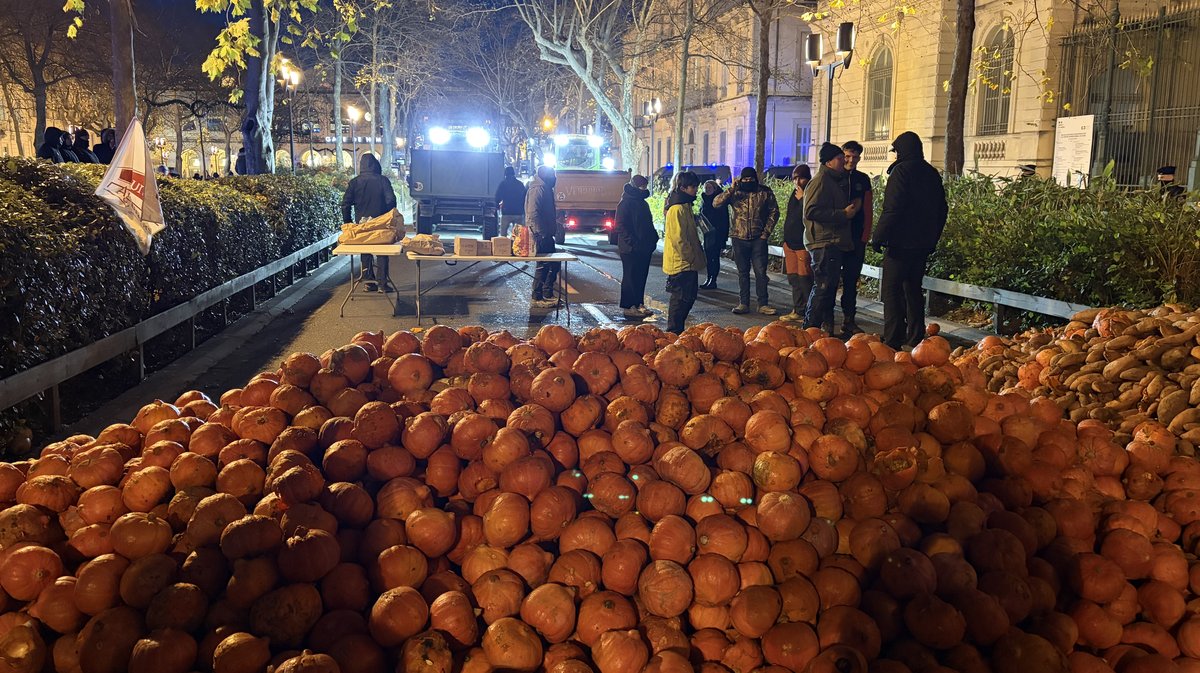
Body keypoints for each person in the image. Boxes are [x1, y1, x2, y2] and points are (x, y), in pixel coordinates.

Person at [870, 131, 948, 350]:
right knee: (913, 290)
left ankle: (893, 338)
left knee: (891, 291)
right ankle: (915, 336)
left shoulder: (901, 172)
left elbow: (892, 209)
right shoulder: (931, 173)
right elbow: (942, 209)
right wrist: (932, 238)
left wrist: (879, 237)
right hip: (922, 245)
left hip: (899, 244)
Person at [803, 142, 860, 333]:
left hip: (832, 241)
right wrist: (842, 214)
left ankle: (815, 330)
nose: (844, 160)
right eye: (839, 158)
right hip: (824, 242)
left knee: (827, 288)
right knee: (823, 287)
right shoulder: (821, 181)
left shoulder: (834, 180)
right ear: (828, 162)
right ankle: (810, 330)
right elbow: (811, 210)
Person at [714, 167, 780, 315]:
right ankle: (744, 303)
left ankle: (762, 303)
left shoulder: (764, 192)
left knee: (761, 273)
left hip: (758, 239)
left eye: (751, 179)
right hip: (738, 238)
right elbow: (716, 203)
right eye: (745, 179)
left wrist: (766, 233)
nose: (748, 182)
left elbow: (774, 211)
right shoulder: (735, 193)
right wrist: (731, 189)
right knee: (742, 273)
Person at [341, 153, 398, 293]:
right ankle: (383, 284)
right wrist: (390, 216)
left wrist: (348, 222)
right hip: (381, 223)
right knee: (382, 252)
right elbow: (390, 199)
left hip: (362, 224)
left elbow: (345, 204)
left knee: (365, 251)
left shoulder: (354, 182)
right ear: (376, 165)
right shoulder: (383, 181)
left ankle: (368, 282)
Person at [662, 171, 705, 334]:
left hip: (687, 263)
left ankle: (676, 332)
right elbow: (678, 239)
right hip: (681, 263)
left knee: (688, 297)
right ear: (683, 188)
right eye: (692, 187)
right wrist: (690, 257)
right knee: (680, 300)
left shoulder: (685, 206)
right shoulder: (677, 209)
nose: (695, 190)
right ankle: (673, 333)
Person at [840, 140, 873, 337]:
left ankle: (849, 319)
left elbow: (868, 209)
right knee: (831, 278)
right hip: (836, 237)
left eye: (855, 157)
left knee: (851, 280)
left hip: (855, 238)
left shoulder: (863, 179)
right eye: (847, 156)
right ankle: (826, 321)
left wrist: (865, 235)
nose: (851, 160)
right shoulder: (834, 177)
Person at [615, 174, 657, 319]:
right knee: (630, 276)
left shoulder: (642, 203)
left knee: (641, 276)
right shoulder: (625, 203)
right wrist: (632, 243)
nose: (644, 189)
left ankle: (639, 303)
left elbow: (648, 224)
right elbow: (620, 226)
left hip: (644, 247)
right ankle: (628, 306)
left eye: (645, 186)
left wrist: (653, 239)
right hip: (630, 249)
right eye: (642, 186)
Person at [780, 164, 813, 322]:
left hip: (802, 244)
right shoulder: (794, 195)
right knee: (793, 278)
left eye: (801, 178)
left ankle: (809, 312)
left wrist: (803, 200)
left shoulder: (809, 195)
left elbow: (808, 216)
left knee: (805, 278)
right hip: (790, 243)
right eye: (795, 178)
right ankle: (798, 309)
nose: (798, 182)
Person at [526, 165, 560, 307]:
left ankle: (547, 293)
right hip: (541, 234)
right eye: (552, 174)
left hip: (545, 232)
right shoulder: (539, 188)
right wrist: (541, 232)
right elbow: (533, 212)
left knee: (554, 264)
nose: (554, 178)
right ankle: (537, 296)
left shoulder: (544, 187)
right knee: (543, 265)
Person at [698, 180, 730, 289]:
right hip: (707, 233)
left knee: (714, 257)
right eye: (706, 188)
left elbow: (724, 220)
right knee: (708, 257)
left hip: (717, 233)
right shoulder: (703, 200)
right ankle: (709, 277)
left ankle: (713, 279)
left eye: (709, 188)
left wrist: (723, 236)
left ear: (715, 189)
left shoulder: (719, 201)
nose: (707, 190)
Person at [494, 166, 527, 237]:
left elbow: (498, 196)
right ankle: (516, 247)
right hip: (518, 212)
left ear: (505, 174)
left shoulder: (503, 184)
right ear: (514, 173)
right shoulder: (520, 184)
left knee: (503, 234)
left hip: (506, 212)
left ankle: (504, 247)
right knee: (518, 235)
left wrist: (497, 206)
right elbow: (525, 197)